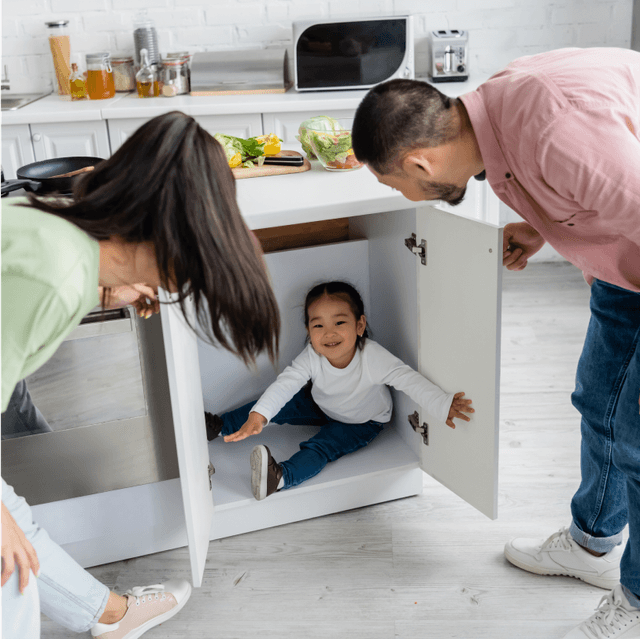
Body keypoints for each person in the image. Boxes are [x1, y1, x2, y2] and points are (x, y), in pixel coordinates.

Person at [351, 47, 640, 639]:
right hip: (623, 261)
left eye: (396, 183)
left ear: (421, 163)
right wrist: (542, 225)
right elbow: (600, 180)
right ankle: (591, 547)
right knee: (602, 407)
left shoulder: (555, 128)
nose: (405, 196)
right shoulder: (494, 116)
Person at [1, 110, 280, 639]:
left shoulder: (63, 224)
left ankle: (109, 616)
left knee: (12, 533)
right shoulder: (55, 279)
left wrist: (116, 286)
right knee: (6, 565)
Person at [204, 281, 474, 500]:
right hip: (322, 404)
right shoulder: (312, 355)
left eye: (339, 323)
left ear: (359, 326)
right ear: (309, 332)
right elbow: (286, 383)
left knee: (321, 447)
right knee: (277, 403)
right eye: (318, 325)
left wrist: (442, 404)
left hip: (361, 422)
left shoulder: (373, 357)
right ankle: (219, 425)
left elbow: (409, 380)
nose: (328, 333)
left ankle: (280, 478)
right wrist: (260, 415)